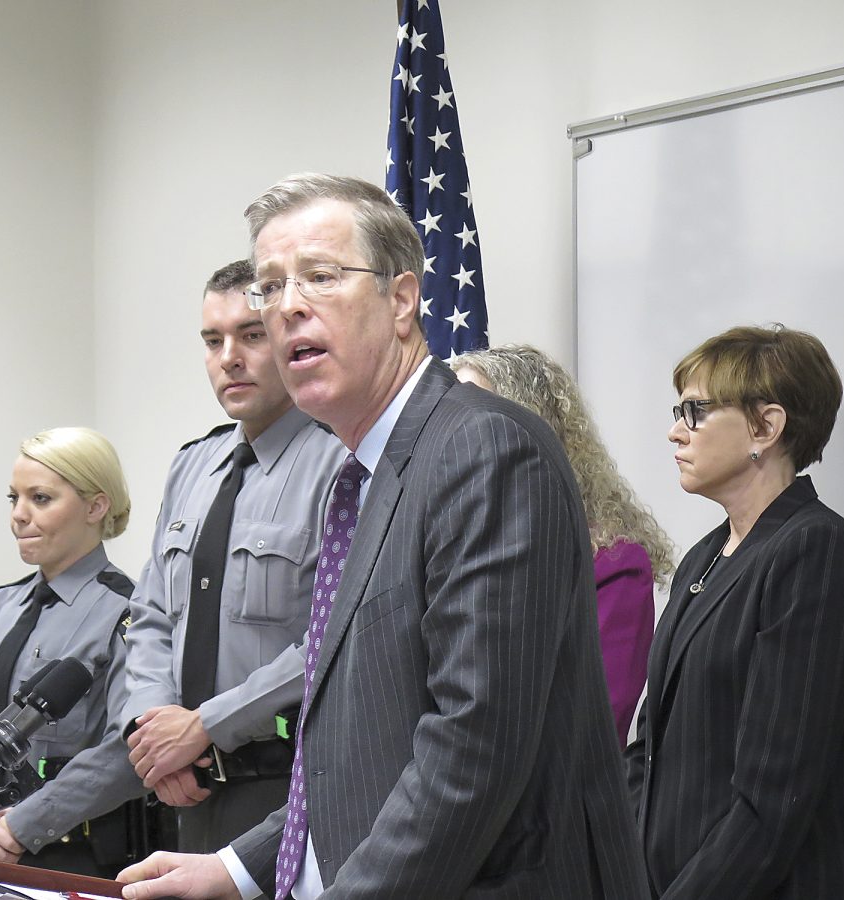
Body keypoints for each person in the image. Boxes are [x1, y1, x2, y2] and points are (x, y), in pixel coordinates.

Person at [117, 174, 646, 899]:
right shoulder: (364, 475)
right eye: (271, 287)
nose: (288, 305)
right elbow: (359, 752)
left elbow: (471, 747)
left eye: (321, 276)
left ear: (401, 300)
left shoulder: (482, 449)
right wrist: (237, 870)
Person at [627, 325, 844, 898]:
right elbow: (650, 750)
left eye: (695, 412)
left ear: (765, 427)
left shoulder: (817, 551)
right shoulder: (703, 556)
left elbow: (773, 799)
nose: (675, 431)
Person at [121, 260, 347, 853]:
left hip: (289, 787)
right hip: (185, 788)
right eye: (212, 340)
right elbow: (150, 617)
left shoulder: (340, 465)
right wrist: (152, 731)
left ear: (289, 340)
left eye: (251, 335)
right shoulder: (192, 465)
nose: (229, 358)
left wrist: (205, 726)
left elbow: (334, 637)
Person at [0, 427, 143, 879]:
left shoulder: (129, 612)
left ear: (96, 507)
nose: (19, 516)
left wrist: (21, 827)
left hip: (68, 859)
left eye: (40, 498)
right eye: (14, 498)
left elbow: (127, 752)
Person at [453, 344, 674, 745]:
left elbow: (594, 721)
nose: (452, 435)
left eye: (472, 416)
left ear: (529, 429)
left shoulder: (613, 563)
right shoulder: (447, 546)